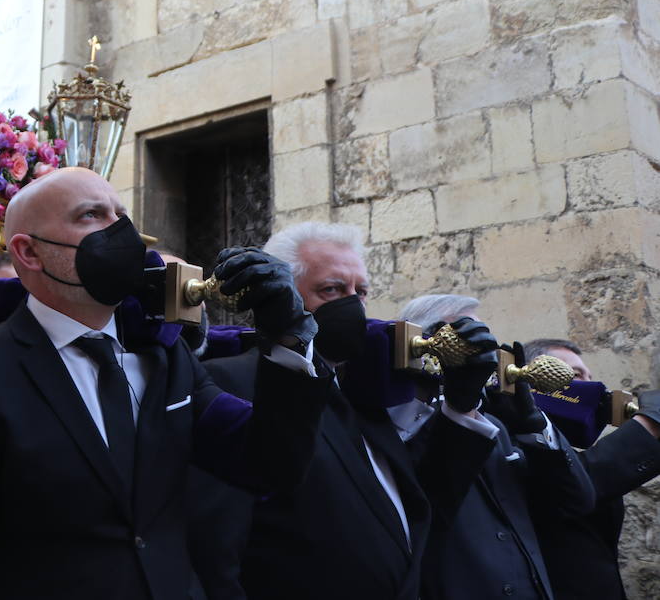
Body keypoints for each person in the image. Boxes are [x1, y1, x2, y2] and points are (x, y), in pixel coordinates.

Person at [0, 168, 331, 599]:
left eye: (121, 214)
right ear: (29, 252)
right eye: (91, 215)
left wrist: (288, 335)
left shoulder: (164, 360)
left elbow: (269, 462)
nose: (121, 231)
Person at [189, 222, 500, 600]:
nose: (352, 305)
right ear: (283, 293)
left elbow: (420, 513)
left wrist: (461, 406)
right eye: (331, 290)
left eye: (361, 292)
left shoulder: (363, 398)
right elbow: (216, 550)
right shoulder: (233, 383)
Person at [401, 295, 595, 600]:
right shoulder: (404, 424)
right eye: (467, 342)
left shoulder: (498, 425)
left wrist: (534, 424)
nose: (483, 355)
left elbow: (575, 501)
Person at [523, 338, 660, 600]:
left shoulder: (567, 451)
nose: (592, 388)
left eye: (590, 376)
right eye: (575, 375)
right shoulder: (514, 442)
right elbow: (580, 483)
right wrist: (651, 421)